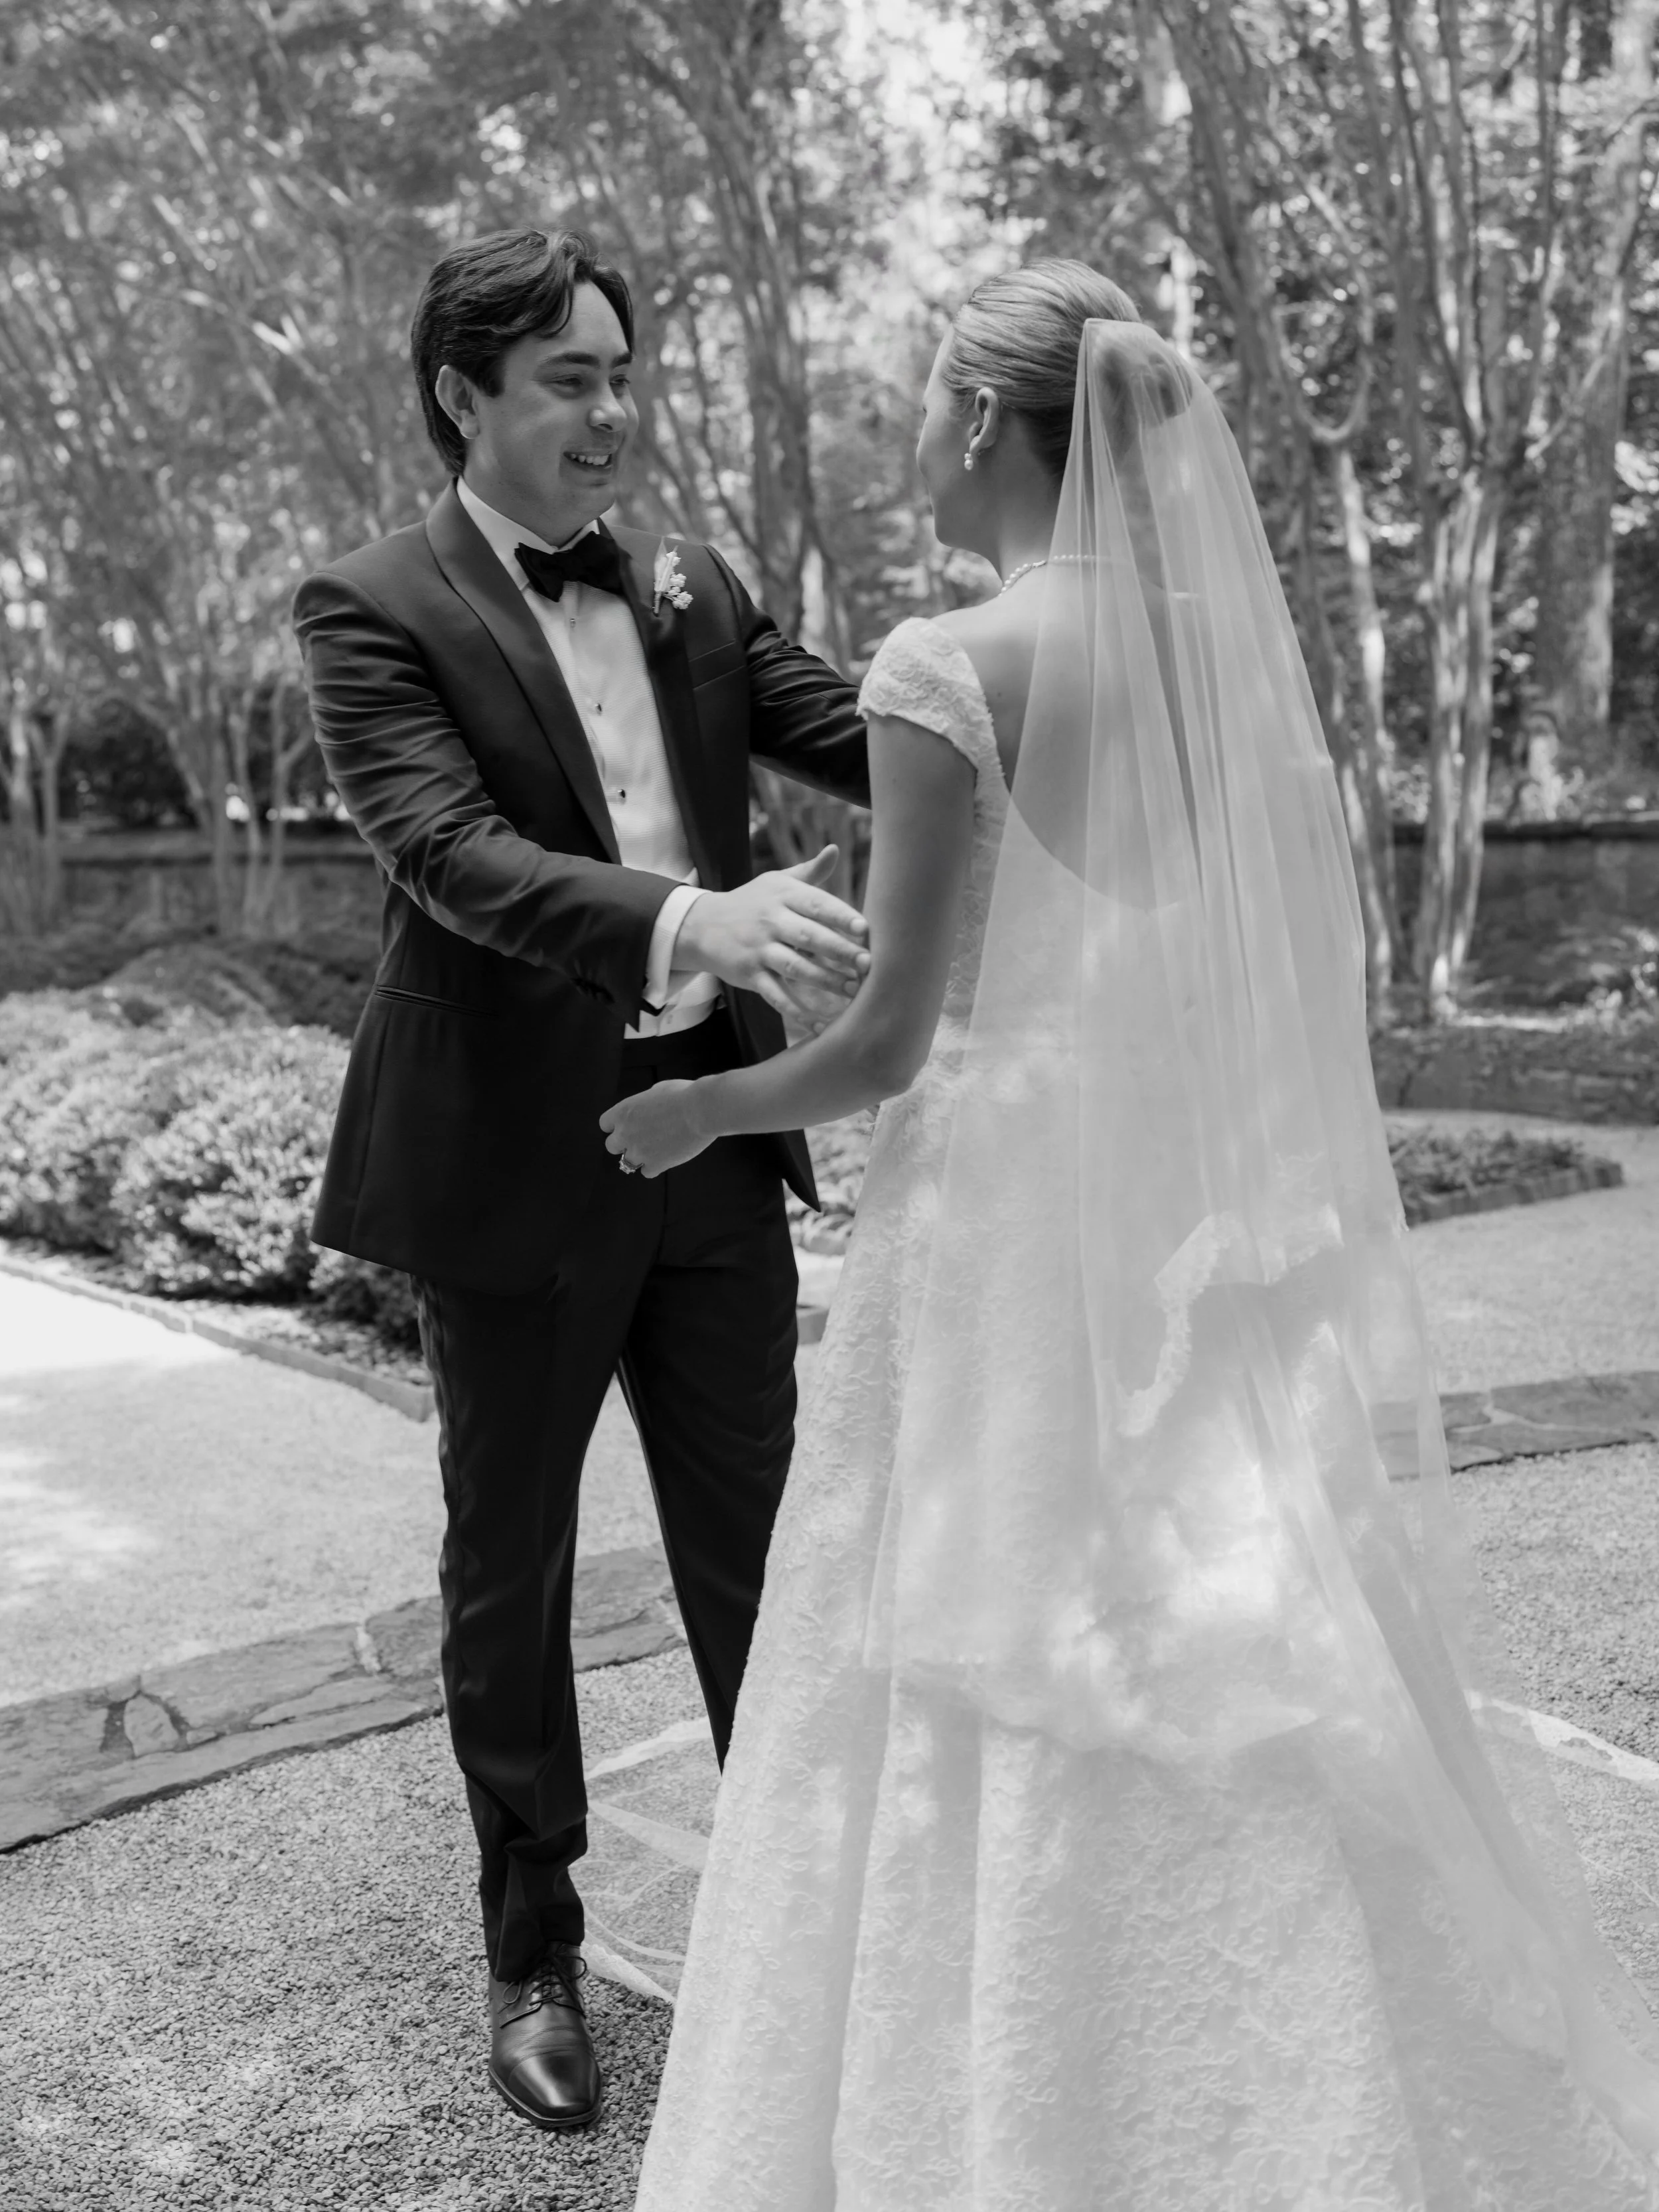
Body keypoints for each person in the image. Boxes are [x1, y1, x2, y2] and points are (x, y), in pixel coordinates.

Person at [608, 266, 1659, 2206]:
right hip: (1176, 1228)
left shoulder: (944, 662)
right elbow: (1159, 954)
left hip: (1000, 1229)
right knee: (1237, 1611)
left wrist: (699, 1106)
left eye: (929, 398)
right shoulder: (1200, 656)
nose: (916, 431)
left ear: (995, 427)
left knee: (945, 1636)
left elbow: (889, 1040)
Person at [291, 227, 870, 2135]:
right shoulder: (367, 605)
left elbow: (858, 727)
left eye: (624, 375)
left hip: (707, 1141)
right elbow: (448, 851)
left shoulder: (691, 580)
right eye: (570, 381)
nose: (613, 414)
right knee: (508, 1568)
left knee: (759, 1554)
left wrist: (1041, 683)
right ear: (464, 395)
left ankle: (806, 1922)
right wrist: (698, 914)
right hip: (509, 1167)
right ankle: (530, 1946)